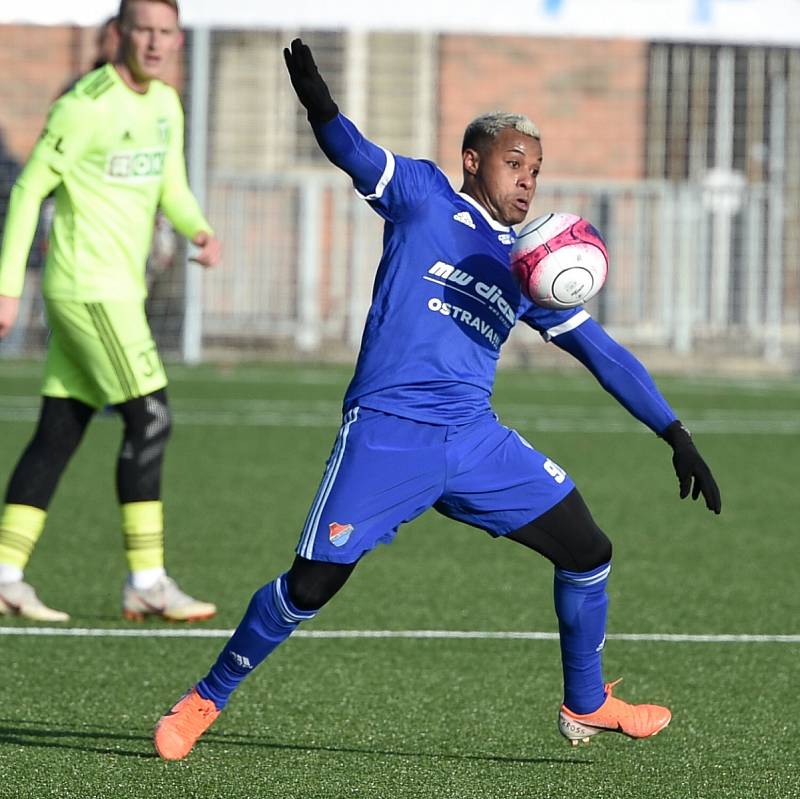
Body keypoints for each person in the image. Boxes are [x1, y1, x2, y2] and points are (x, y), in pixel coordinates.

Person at [153, 38, 721, 760]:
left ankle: (588, 701)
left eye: (536, 171)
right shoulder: (422, 196)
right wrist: (318, 104)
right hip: (389, 432)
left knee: (587, 549)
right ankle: (206, 696)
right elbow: (353, 150)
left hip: (473, 439)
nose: (527, 181)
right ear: (473, 160)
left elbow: (601, 352)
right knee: (312, 583)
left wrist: (674, 429)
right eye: (515, 163)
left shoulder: (528, 265)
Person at [0, 0, 221, 623]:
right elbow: (27, 188)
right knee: (150, 418)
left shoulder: (165, 106)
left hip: (119, 291)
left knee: (60, 427)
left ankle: (5, 574)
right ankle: (147, 580)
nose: (154, 43)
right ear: (120, 35)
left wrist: (199, 231)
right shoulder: (86, 105)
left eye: (166, 33)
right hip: (88, 289)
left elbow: (169, 188)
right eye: (143, 31)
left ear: (178, 40)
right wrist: (7, 286)